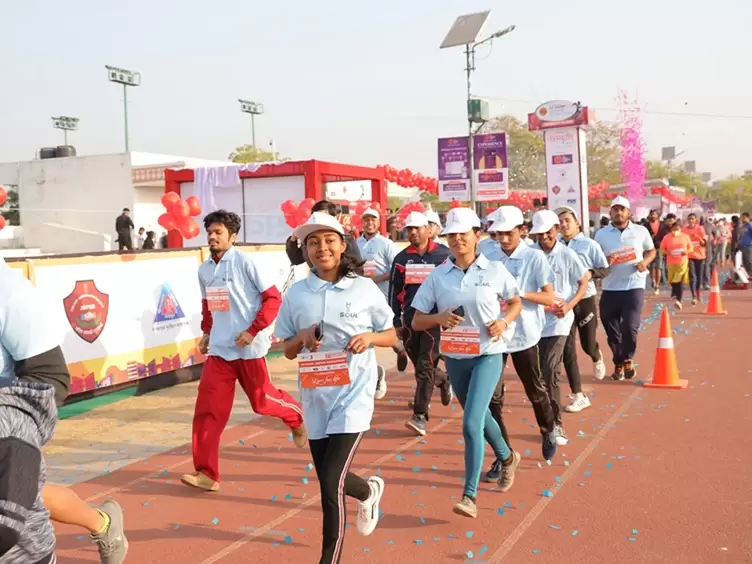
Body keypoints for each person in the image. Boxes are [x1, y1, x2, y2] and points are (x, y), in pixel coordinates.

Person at [274, 212, 395, 564]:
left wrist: (369, 337)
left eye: (329, 240)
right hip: (316, 399)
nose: (321, 248)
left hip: (353, 397)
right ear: (306, 250)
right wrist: (301, 338)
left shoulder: (364, 288)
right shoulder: (297, 294)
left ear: (343, 245)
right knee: (332, 478)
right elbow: (287, 350)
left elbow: (392, 334)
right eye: (313, 242)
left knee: (329, 484)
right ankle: (368, 489)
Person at [0, 257, 128, 563]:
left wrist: (12, 433)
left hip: (8, 436)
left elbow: (51, 377)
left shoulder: (10, 291)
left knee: (23, 498)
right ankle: (103, 521)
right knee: (31, 495)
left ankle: (102, 523)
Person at [410, 207, 523, 518]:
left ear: (477, 235)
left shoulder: (495, 269)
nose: (458, 238)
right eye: (452, 233)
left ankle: (469, 496)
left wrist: (503, 321)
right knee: (482, 416)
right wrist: (439, 318)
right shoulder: (438, 275)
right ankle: (507, 456)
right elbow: (417, 320)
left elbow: (515, 302)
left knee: (471, 422)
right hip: (456, 357)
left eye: (464, 232)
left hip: (488, 354)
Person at [182, 210, 306, 492]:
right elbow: (209, 305)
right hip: (219, 351)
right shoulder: (204, 270)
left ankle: (296, 417)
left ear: (232, 237)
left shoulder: (247, 262)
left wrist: (253, 330)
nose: (213, 237)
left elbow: (273, 299)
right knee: (208, 411)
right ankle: (207, 473)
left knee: (261, 402)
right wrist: (207, 333)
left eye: (219, 232)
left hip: (249, 350)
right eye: (210, 232)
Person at [485, 206, 559, 467]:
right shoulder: (486, 253)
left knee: (535, 389)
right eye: (498, 234)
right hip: (494, 334)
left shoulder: (535, 257)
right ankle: (502, 455)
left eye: (509, 234)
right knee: (492, 398)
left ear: (522, 231)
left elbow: (549, 297)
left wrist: (518, 294)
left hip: (524, 334)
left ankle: (548, 428)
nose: (503, 240)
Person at [389, 212, 452, 436]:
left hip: (434, 319)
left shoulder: (445, 255)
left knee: (425, 364)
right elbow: (394, 291)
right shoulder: (401, 258)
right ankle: (444, 380)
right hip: (409, 320)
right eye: (409, 229)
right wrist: (395, 319)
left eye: (417, 228)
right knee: (420, 365)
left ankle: (420, 415)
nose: (413, 233)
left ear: (428, 229)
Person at [530, 210, 589, 445]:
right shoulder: (528, 255)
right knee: (538, 378)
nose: (544, 237)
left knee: (550, 369)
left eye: (548, 232)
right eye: (540, 233)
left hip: (559, 322)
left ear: (556, 229)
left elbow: (583, 282)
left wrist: (570, 305)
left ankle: (556, 425)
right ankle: (546, 422)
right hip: (534, 323)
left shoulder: (568, 254)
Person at [594, 197, 656, 380]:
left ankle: (628, 358)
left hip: (633, 285)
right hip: (610, 287)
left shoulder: (640, 231)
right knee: (611, 330)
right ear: (610, 213)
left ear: (629, 212)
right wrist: (605, 263)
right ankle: (619, 362)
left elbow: (652, 251)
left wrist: (644, 262)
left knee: (629, 327)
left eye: (622, 209)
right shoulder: (601, 234)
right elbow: (595, 259)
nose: (618, 213)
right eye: (615, 209)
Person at [556, 206, 609, 403]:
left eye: (567, 220)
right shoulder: (556, 246)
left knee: (587, 344)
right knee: (567, 349)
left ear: (577, 223)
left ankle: (596, 355)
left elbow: (605, 269)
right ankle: (578, 394)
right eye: (560, 222)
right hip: (564, 302)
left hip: (585, 299)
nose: (563, 225)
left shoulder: (589, 245)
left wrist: (591, 273)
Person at [356, 207, 403, 396]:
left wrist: (379, 279)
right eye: (366, 220)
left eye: (373, 220)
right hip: (360, 295)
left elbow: (397, 267)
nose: (369, 223)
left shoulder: (385, 243)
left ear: (378, 222)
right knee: (366, 332)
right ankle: (376, 372)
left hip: (382, 295)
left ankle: (397, 348)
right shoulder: (356, 243)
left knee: (382, 328)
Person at [660, 220, 692, 310]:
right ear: (671, 229)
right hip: (671, 262)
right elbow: (662, 249)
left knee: (680, 280)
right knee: (673, 280)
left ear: (680, 229)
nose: (675, 231)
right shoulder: (667, 237)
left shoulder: (685, 237)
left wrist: (685, 252)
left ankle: (679, 300)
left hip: (682, 261)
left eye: (677, 229)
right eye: (674, 229)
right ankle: (675, 294)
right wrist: (667, 253)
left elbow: (691, 248)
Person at [682, 213, 707, 305]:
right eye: (689, 219)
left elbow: (704, 242)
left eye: (693, 219)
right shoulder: (684, 230)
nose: (691, 221)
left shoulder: (700, 228)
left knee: (699, 276)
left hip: (700, 255)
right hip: (689, 255)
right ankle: (694, 296)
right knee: (692, 276)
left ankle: (698, 292)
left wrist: (701, 241)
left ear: (696, 220)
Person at [740, 212, 752, 276]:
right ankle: (747, 274)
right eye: (742, 217)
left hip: (748, 246)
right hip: (742, 247)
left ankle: (750, 274)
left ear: (748, 218)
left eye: (744, 218)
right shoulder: (743, 226)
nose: (743, 219)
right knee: (744, 262)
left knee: (749, 261)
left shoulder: (750, 225)